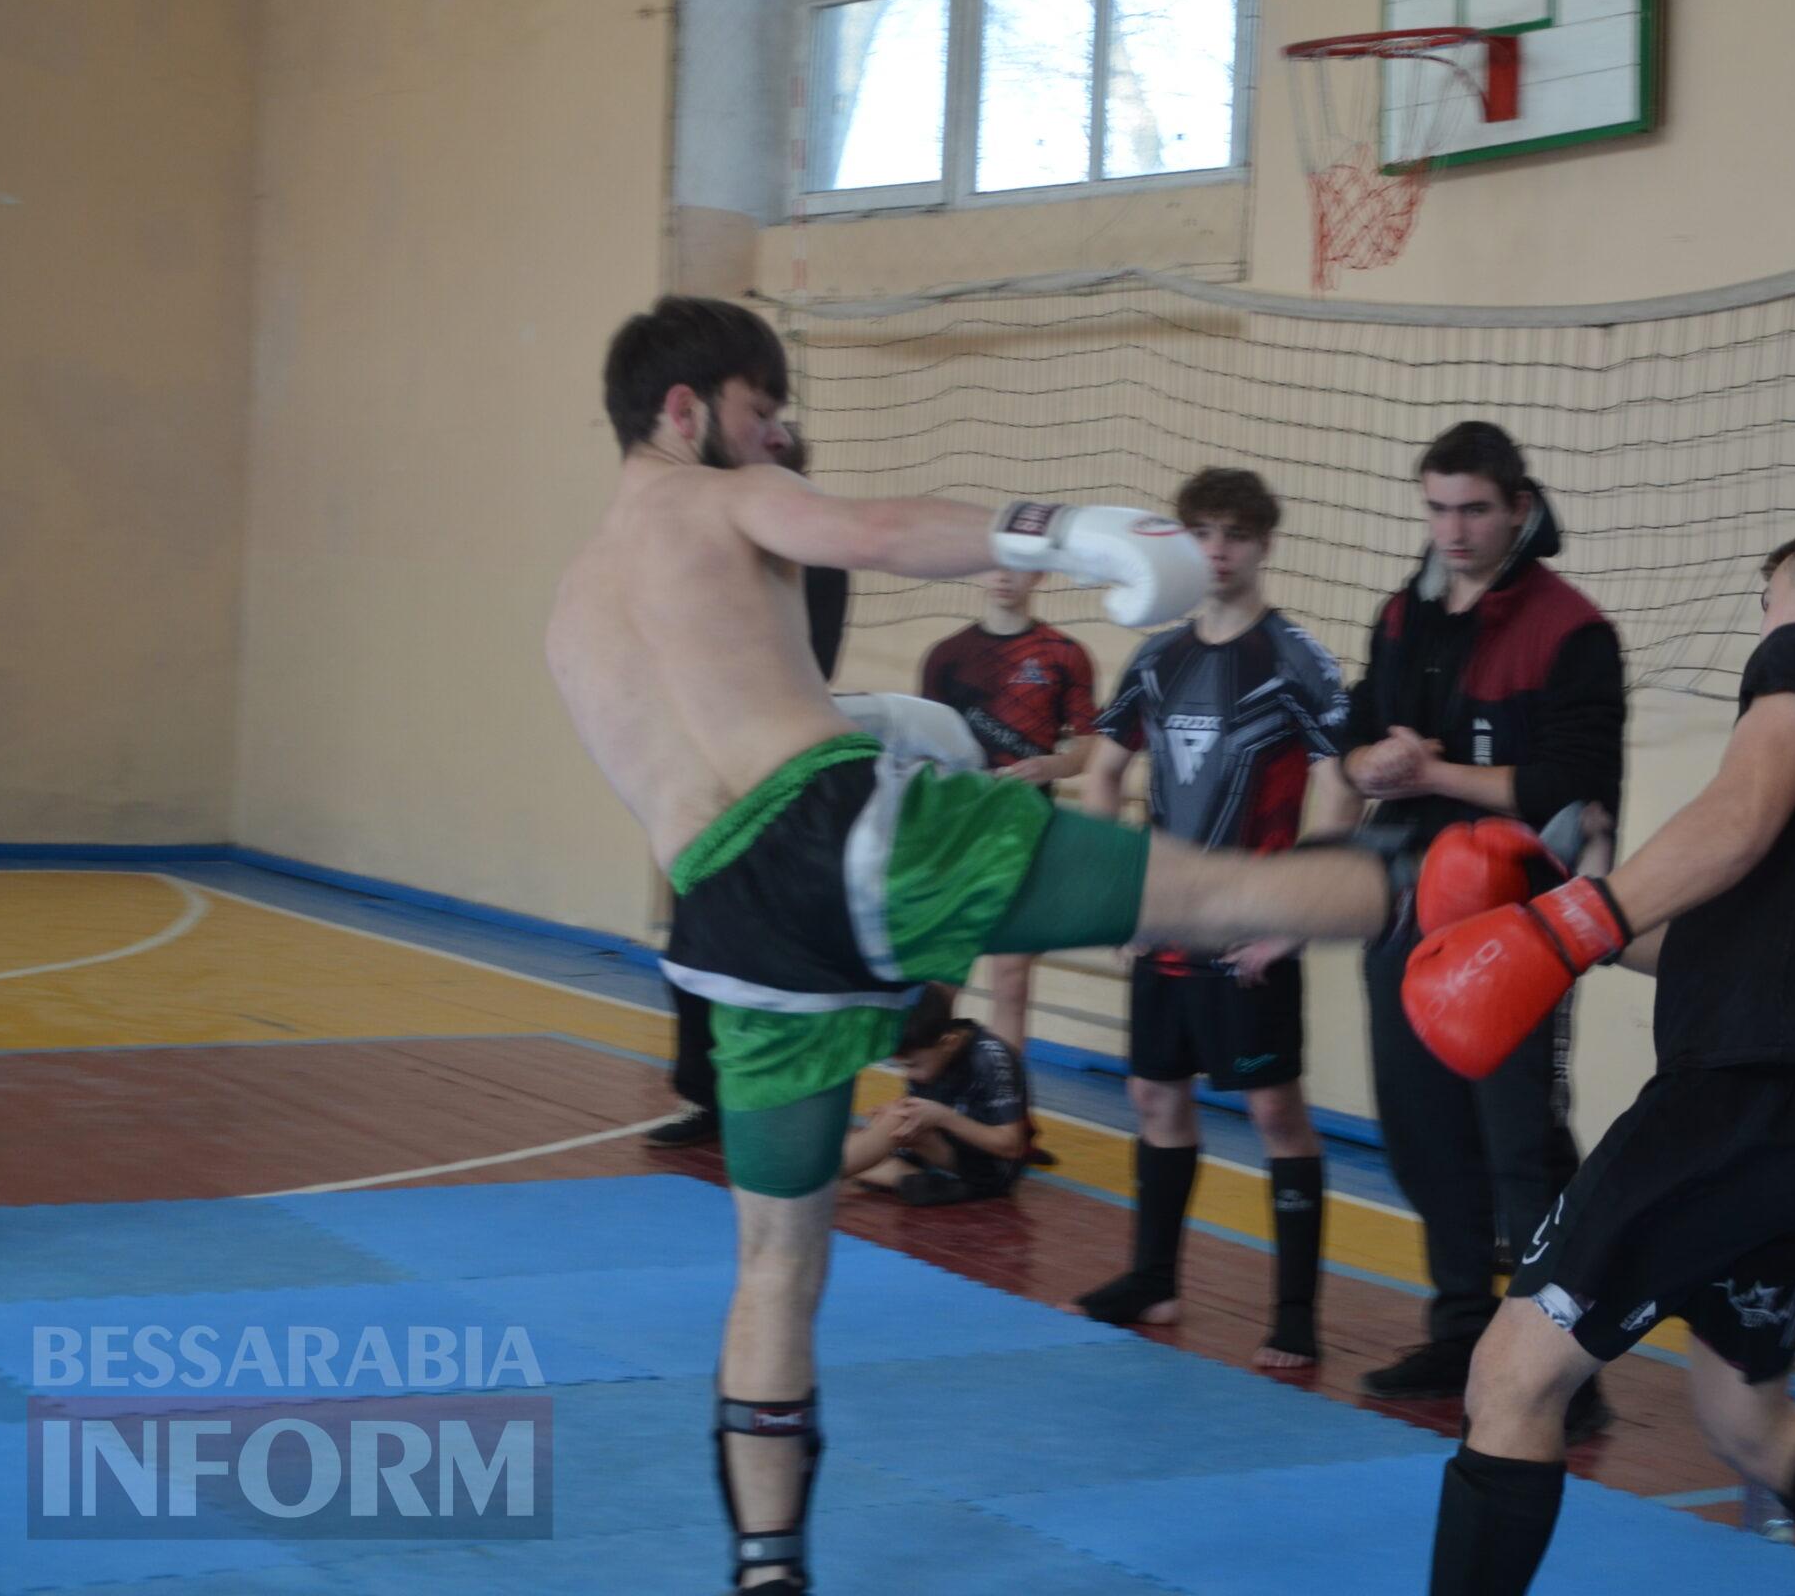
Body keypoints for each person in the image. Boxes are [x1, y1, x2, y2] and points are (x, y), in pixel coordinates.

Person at [550, 297, 1398, 1594]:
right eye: (762, 411)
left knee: (775, 1261)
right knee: (1222, 896)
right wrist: (1073, 534)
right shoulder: (715, 498)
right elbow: (877, 534)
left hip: (728, 920)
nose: (779, 437)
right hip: (852, 836)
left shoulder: (569, 614)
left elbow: (698, 755)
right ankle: (1493, 894)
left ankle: (766, 1566)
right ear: (685, 410)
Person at [1400, 512, 1795, 1596]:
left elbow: (1737, 812)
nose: (1758, 626)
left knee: (1511, 1373)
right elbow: (1712, 939)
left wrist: (1564, 925)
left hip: (1735, 1103)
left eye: (1766, 596)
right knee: (1750, 1418)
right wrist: (1543, 910)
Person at [1340, 421, 1624, 1431]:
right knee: (1421, 1134)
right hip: (1407, 911)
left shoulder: (1569, 629)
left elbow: (1570, 785)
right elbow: (1356, 726)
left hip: (1519, 920)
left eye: (1472, 510)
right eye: (1437, 508)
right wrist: (1364, 764)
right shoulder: (1401, 616)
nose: (1452, 530)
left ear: (1515, 507)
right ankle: (1462, 1323)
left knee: (1521, 1148)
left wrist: (1433, 772)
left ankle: (1566, 1364)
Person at [1069, 468, 1357, 1369]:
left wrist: (1294, 918)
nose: (1220, 551)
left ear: (1266, 543)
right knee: (1155, 1094)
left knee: (1274, 1109)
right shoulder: (1156, 657)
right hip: (1166, 925)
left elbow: (1342, 784)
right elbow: (1104, 768)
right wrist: (1114, 886)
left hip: (1250, 928)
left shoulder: (1296, 658)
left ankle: (1297, 1313)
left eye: (1237, 534)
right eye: (1205, 534)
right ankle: (1154, 1279)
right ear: (1184, 544)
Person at [652, 424, 849, 1151]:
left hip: (779, 774)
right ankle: (706, 1094)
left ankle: (769, 1098)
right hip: (712, 775)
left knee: (766, 953)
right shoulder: (708, 551)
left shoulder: (814, 559)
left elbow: (808, 665)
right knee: (693, 944)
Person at [920, 568, 1098, 1165]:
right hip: (959, 837)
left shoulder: (1063, 655)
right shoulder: (948, 656)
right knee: (938, 983)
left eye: (1018, 565)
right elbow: (924, 749)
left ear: (1039, 572)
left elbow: (1086, 747)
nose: (1004, 576)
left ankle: (1011, 1128)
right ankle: (925, 1115)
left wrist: (1048, 768)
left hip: (1026, 836)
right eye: (994, 562)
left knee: (1013, 985)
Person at [842, 984, 1031, 1206]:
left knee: (897, 1122)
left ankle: (813, 1176)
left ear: (948, 1043)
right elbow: (926, 1107)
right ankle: (913, 1180)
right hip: (946, 1150)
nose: (909, 1074)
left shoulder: (992, 1059)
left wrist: (942, 1117)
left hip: (991, 1167)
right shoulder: (930, 1051)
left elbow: (1011, 1145)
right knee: (891, 1122)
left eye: (913, 1066)